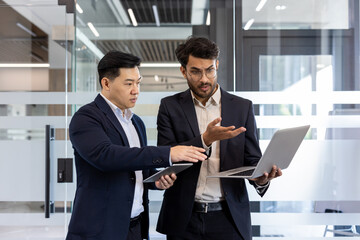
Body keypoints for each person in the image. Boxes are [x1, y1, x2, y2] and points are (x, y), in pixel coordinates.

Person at [66, 50, 207, 240]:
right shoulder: (86, 117)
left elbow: (137, 170)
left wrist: (156, 180)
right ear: (106, 83)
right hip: (99, 230)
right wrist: (168, 153)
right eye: (129, 83)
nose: (136, 90)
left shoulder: (136, 122)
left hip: (135, 227)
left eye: (138, 83)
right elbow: (106, 156)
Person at [156, 36, 282, 240]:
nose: (204, 79)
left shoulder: (242, 107)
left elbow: (252, 160)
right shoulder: (170, 107)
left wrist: (260, 179)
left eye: (209, 70)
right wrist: (205, 140)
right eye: (195, 71)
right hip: (184, 219)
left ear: (217, 66)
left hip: (229, 218)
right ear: (183, 71)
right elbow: (166, 156)